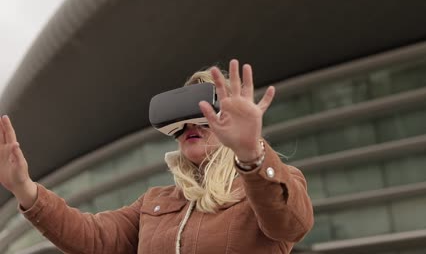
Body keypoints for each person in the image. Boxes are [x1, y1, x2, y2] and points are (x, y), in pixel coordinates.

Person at [0, 59, 314, 253]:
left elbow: (291, 224)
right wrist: (23, 187)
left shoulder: (266, 190)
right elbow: (94, 238)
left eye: (205, 114)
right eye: (183, 118)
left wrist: (251, 155)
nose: (191, 125)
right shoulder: (155, 204)